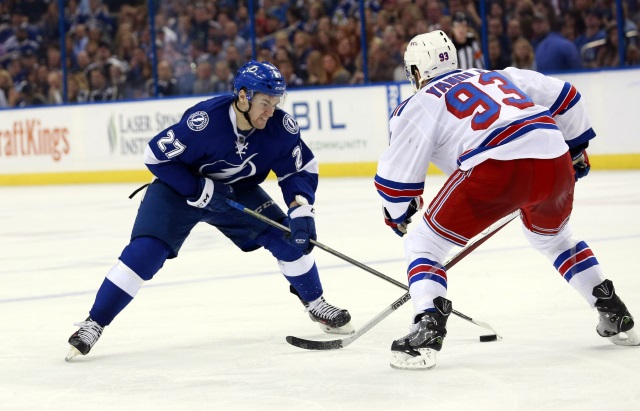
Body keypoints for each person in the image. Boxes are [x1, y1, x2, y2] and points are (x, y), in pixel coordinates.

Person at [375, 31, 638, 370]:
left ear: (416, 72)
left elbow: (397, 179)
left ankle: (427, 326)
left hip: (494, 166)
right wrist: (574, 149)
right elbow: (568, 96)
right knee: (556, 239)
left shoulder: (419, 101)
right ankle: (612, 308)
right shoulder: (498, 76)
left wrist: (397, 213)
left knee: (424, 243)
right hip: (553, 154)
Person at [66, 61, 354, 361]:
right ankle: (93, 323)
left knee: (287, 237)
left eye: (275, 103)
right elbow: (155, 156)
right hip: (179, 191)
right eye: (264, 103)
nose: (271, 111)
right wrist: (197, 188)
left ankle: (316, 303)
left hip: (235, 192)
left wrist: (301, 208)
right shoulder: (205, 121)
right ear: (243, 96)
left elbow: (298, 169)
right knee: (145, 253)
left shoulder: (279, 128)